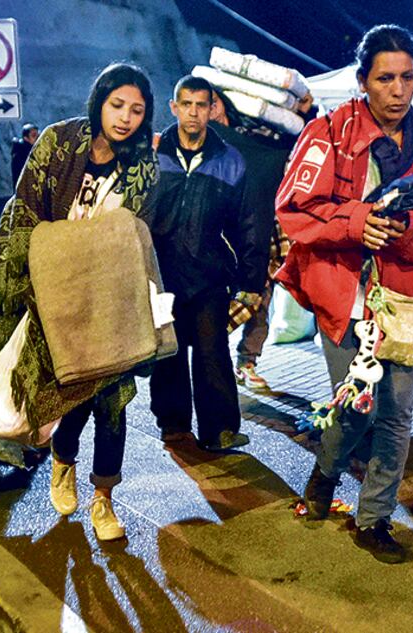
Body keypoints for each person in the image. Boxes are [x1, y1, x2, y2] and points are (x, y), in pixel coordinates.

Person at [276, 25, 413, 563]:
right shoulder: (328, 132)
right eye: (386, 78)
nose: (398, 89)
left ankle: (374, 519)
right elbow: (292, 212)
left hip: (412, 298)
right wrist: (357, 222)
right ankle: (324, 473)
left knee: (397, 414)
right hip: (345, 294)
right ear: (363, 81)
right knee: (355, 407)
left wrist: (407, 226)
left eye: (408, 77)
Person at [0, 64, 158, 541]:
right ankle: (63, 462)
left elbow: (134, 232)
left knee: (113, 401)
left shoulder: (143, 163)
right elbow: (25, 209)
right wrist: (23, 278)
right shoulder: (60, 142)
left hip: (109, 293)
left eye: (137, 110)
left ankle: (104, 499)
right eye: (117, 105)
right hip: (55, 290)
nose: (125, 118)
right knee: (70, 391)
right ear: (99, 103)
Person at [139, 75, 261, 452]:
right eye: (186, 104)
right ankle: (173, 424)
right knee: (169, 350)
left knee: (212, 351)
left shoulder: (230, 159)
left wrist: (252, 281)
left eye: (201, 105)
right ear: (174, 107)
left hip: (209, 274)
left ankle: (220, 429)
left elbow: (248, 224)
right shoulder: (151, 154)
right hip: (160, 274)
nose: (193, 113)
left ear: (212, 109)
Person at [208, 87, 314, 390]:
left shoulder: (254, 134)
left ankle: (247, 362)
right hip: (225, 237)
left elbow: (290, 143)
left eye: (211, 104)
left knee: (261, 298)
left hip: (262, 229)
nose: (206, 111)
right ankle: (210, 357)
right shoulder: (205, 144)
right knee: (227, 300)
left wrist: (308, 113)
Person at [10, 122, 39, 188]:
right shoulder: (20, 153)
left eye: (38, 135)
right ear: (26, 138)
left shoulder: (36, 149)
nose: (37, 138)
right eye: (34, 135)